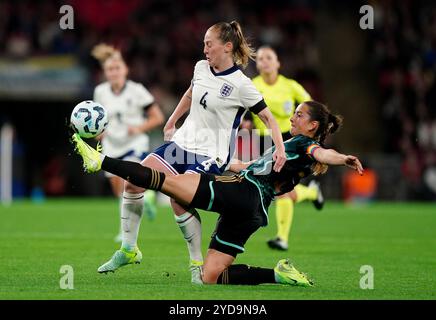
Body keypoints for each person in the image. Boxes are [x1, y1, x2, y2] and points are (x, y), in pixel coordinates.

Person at [72, 100, 363, 285]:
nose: (292, 118)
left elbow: (324, 153)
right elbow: (254, 165)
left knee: (166, 182)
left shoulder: (303, 144)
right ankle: (278, 274)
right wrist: (232, 163)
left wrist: (344, 158)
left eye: (298, 115)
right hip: (254, 212)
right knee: (211, 277)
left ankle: (101, 161)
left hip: (242, 193)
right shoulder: (292, 150)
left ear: (312, 125)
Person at [95, 21, 287, 284]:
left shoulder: (242, 84)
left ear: (227, 47)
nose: (204, 48)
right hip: (182, 144)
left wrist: (280, 149)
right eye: (204, 43)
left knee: (178, 198)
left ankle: (196, 264)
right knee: (133, 183)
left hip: (212, 154)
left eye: (209, 43)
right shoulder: (200, 67)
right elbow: (190, 93)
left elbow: (268, 118)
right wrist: (172, 121)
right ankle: (129, 249)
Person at [245, 46, 324, 251]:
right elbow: (243, 111)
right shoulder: (252, 85)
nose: (264, 61)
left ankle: (282, 238)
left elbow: (312, 108)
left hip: (288, 141)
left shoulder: (290, 86)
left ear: (278, 63)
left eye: (269, 57)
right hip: (261, 141)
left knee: (281, 191)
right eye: (260, 58)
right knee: (277, 190)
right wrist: (245, 124)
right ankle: (312, 194)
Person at [91, 44, 165, 242]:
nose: (114, 72)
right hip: (112, 144)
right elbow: (98, 120)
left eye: (117, 68)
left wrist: (138, 128)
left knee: (128, 184)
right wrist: (99, 132)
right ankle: (137, 211)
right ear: (105, 72)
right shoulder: (100, 92)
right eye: (109, 69)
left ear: (125, 70)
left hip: (134, 143)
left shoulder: (137, 90)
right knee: (119, 191)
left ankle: (128, 232)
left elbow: (157, 117)